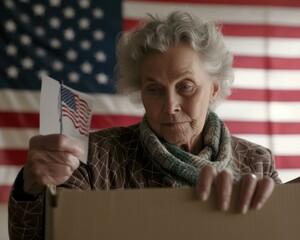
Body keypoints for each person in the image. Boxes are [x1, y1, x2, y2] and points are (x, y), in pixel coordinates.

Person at [8, 10, 281, 240]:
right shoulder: (94, 157)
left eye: (185, 86)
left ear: (213, 90)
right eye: (154, 89)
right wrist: (33, 185)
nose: (171, 105)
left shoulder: (256, 163)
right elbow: (39, 235)